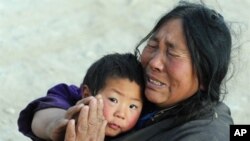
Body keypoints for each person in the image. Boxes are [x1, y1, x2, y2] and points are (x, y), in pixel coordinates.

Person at [18, 1, 234, 141]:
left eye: (173, 53)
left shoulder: (207, 133)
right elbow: (58, 98)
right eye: (152, 45)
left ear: (205, 75)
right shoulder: (139, 87)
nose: (154, 63)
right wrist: (57, 126)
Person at [18, 53, 147, 141]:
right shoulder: (72, 99)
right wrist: (54, 125)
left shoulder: (143, 131)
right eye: (113, 100)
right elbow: (42, 113)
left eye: (132, 106)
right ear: (87, 94)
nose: (121, 114)